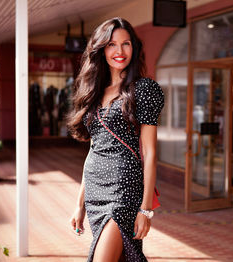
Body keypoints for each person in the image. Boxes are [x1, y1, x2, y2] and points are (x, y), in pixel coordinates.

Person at [66, 17, 164, 262]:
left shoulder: (143, 89)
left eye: (126, 44)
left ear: (134, 47)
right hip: (95, 190)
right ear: (101, 49)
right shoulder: (93, 91)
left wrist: (145, 210)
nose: (119, 51)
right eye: (111, 44)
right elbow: (93, 150)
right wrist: (80, 204)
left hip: (124, 190)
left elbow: (150, 153)